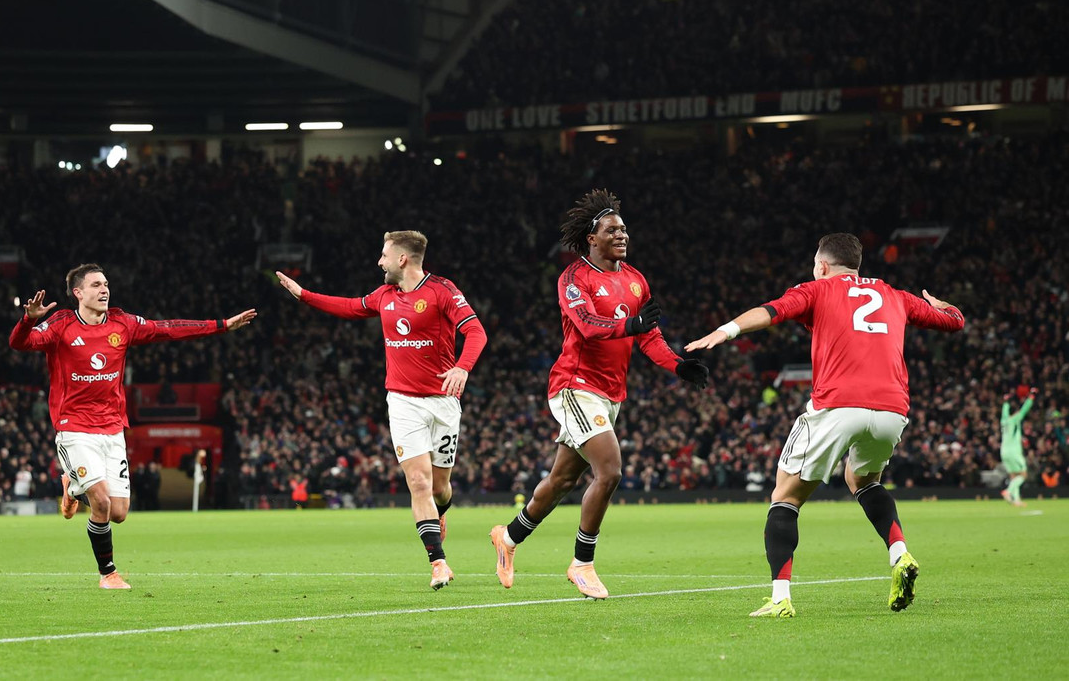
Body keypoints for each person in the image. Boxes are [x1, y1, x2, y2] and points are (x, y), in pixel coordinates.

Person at [685, 232, 965, 618]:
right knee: (862, 480)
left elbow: (771, 311)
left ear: (821, 266)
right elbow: (954, 321)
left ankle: (780, 598)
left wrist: (724, 331)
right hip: (892, 410)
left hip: (837, 405)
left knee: (785, 496)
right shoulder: (895, 294)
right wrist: (941, 303)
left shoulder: (817, 290)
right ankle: (899, 553)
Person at [490, 190, 709, 599]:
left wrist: (678, 365)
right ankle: (582, 563)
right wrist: (631, 326)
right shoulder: (574, 278)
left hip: (611, 393)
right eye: (612, 229)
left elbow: (650, 336)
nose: (621, 234)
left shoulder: (635, 279)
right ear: (593, 237)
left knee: (561, 480)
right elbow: (589, 325)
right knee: (609, 471)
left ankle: (509, 537)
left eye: (624, 228)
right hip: (574, 386)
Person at [9, 263, 255, 590]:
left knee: (119, 512)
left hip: (112, 429)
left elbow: (169, 328)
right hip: (74, 428)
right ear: (78, 293)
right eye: (96, 285)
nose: (104, 290)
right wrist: (28, 319)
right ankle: (108, 573)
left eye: (106, 283)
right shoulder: (61, 325)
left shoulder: (122, 324)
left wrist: (221, 325)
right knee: (100, 501)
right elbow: (19, 344)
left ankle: (70, 487)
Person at [275, 230, 488, 590]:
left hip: (443, 402)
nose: (380, 262)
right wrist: (304, 295)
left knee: (440, 488)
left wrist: (462, 367)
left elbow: (477, 332)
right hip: (402, 401)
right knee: (417, 482)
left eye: (384, 255)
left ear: (402, 259)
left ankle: (441, 515)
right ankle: (438, 562)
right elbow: (348, 306)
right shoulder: (383, 295)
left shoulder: (443, 291)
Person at [999, 389, 1036, 506]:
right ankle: (1008, 492)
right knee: (1023, 474)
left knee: (1014, 476)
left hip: (1004, 451)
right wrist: (1031, 397)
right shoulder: (1015, 420)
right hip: (1014, 451)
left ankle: (1016, 499)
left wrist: (1006, 402)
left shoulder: (1004, 421)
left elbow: (1004, 412)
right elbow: (1024, 410)